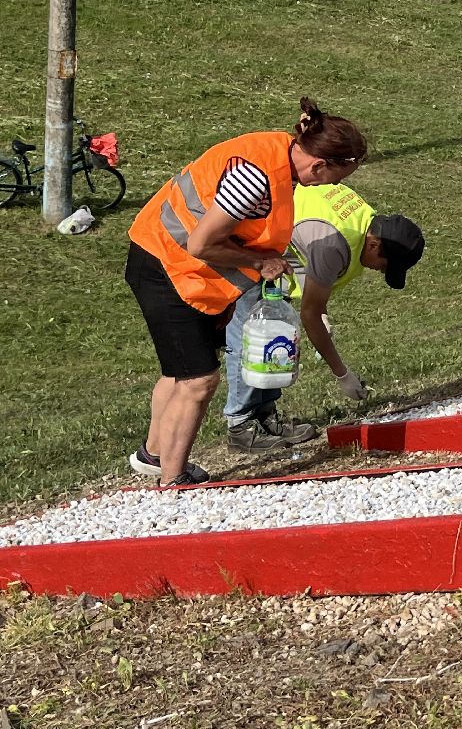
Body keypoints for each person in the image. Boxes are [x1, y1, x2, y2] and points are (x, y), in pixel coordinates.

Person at [124, 99, 367, 486]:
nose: (332, 186)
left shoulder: (278, 150)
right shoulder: (256, 177)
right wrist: (258, 262)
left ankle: (154, 454)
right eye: (336, 178)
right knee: (199, 380)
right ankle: (174, 479)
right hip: (165, 264)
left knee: (179, 372)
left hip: (164, 259)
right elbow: (201, 244)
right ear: (320, 164)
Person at [220, 183, 425, 451]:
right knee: (251, 338)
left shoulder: (364, 219)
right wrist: (342, 374)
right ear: (374, 244)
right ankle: (240, 427)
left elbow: (305, 245)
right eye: (384, 265)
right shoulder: (335, 244)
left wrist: (320, 310)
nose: (379, 271)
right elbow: (309, 314)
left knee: (273, 332)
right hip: (244, 243)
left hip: (272, 246)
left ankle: (264, 415)